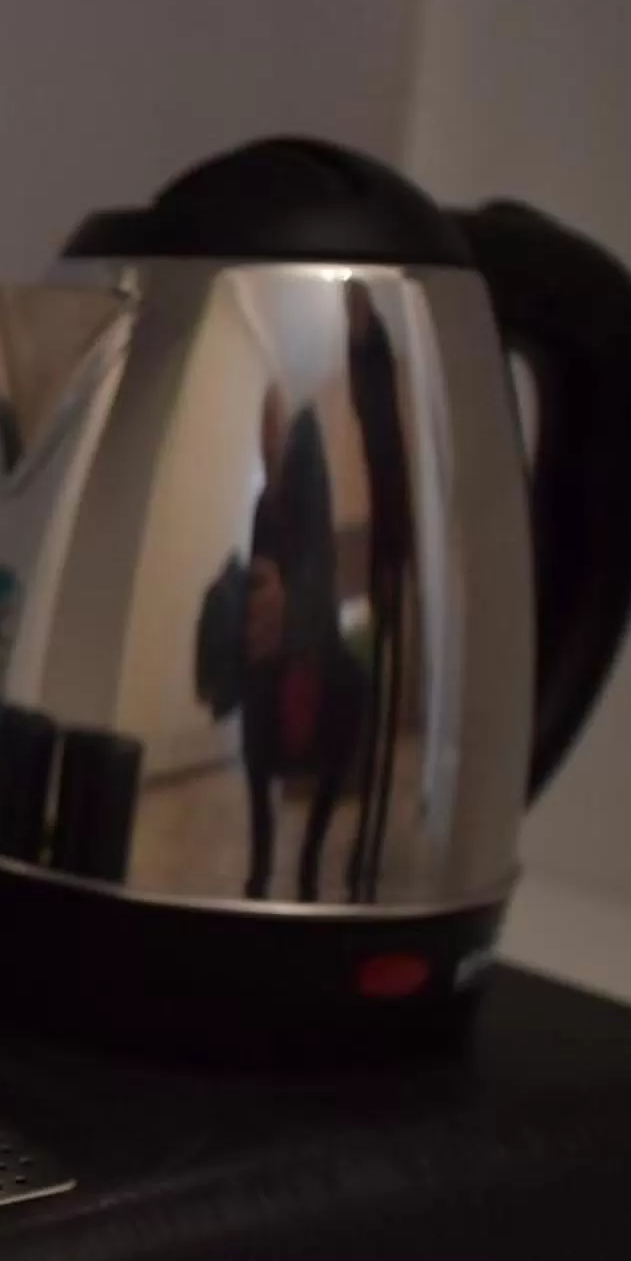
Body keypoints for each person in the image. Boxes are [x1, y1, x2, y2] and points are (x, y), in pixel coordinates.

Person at [239, 386, 359, 903]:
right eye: (261, 427)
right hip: (271, 648)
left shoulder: (310, 485)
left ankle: (311, 853)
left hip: (313, 637)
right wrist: (259, 588)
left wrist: (293, 599)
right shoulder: (264, 506)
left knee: (354, 689)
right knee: (253, 712)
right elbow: (257, 571)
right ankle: (261, 861)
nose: (269, 437)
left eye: (275, 425)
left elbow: (320, 562)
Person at [342, 280, 415, 901]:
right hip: (387, 543)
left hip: (396, 540)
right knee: (369, 675)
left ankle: (375, 814)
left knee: (382, 673)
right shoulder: (360, 377)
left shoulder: (378, 372)